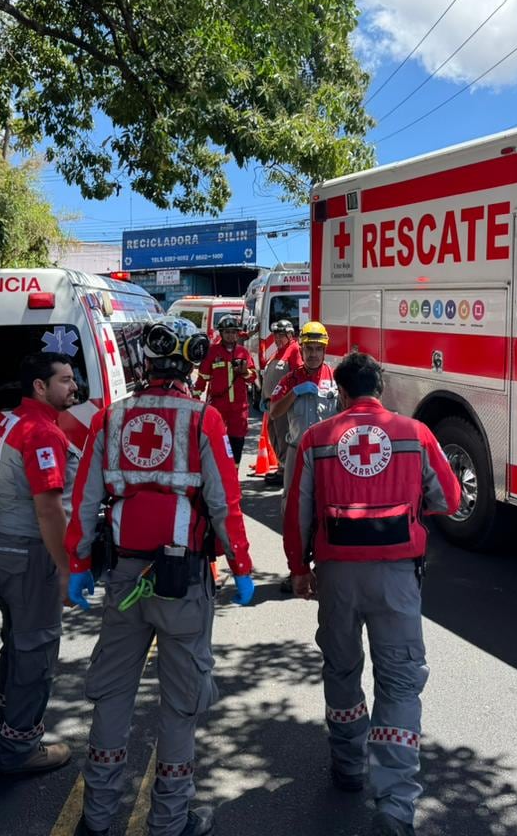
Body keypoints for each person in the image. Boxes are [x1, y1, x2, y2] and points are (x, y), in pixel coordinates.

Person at [64, 316, 256, 836]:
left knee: (112, 693)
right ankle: (169, 822)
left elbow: (85, 498)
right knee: (181, 702)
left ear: (143, 364)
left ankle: (97, 819)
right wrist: (241, 566)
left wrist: (79, 563)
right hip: (182, 579)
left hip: (125, 576)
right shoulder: (203, 419)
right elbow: (224, 502)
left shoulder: (111, 416)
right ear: (192, 364)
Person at [283, 353, 461, 836]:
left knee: (342, 668)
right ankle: (395, 809)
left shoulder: (316, 439)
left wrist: (299, 570)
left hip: (337, 576)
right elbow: (449, 499)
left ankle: (347, 768)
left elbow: (296, 510)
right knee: (400, 683)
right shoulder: (416, 433)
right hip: (397, 577)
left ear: (340, 393)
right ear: (380, 389)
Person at [0, 352, 82, 774]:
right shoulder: (42, 432)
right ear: (39, 387)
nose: (74, 387)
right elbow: (48, 510)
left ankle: (3, 725)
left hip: (0, 546)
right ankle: (21, 747)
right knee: (36, 650)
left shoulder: (12, 421)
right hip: (28, 553)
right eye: (64, 380)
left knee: (17, 645)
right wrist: (65, 569)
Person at [269, 320, 339, 592]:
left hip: (326, 457)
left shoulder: (334, 379)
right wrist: (294, 393)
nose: (312, 354)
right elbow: (274, 411)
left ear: (324, 350)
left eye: (317, 349)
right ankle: (296, 569)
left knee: (325, 512)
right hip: (297, 453)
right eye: (308, 348)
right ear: (302, 347)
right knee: (294, 514)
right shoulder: (291, 378)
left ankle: (323, 569)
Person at [194, 312, 257, 463]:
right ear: (221, 333)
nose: (230, 335)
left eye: (233, 332)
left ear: (238, 334)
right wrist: (195, 398)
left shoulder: (243, 352)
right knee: (216, 441)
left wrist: (245, 372)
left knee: (237, 442)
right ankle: (218, 474)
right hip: (217, 407)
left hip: (239, 408)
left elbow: (253, 376)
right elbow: (202, 377)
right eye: (227, 332)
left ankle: (233, 478)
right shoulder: (212, 352)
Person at [258, 319, 302, 485]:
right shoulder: (277, 352)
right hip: (271, 404)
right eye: (275, 336)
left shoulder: (294, 350)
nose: (277, 339)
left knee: (283, 436)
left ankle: (285, 471)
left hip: (284, 404)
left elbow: (297, 374)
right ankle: (281, 466)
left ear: (290, 335)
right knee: (274, 436)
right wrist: (264, 397)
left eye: (281, 336)